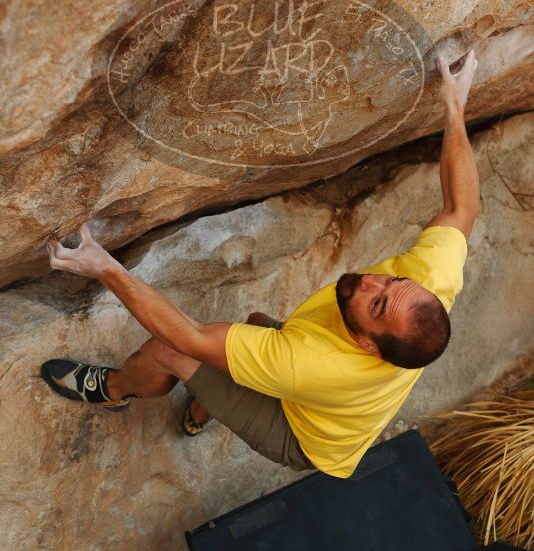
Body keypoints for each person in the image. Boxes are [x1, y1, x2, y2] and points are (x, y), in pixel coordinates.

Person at [42, 50, 480, 478]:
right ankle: (207, 402)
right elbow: (461, 208)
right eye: (389, 284)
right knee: (253, 325)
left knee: (169, 351)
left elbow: (188, 338)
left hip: (302, 436)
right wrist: (455, 108)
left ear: (369, 345)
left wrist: (105, 268)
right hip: (323, 398)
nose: (370, 283)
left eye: (377, 305)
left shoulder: (311, 364)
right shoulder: (424, 290)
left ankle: (115, 390)